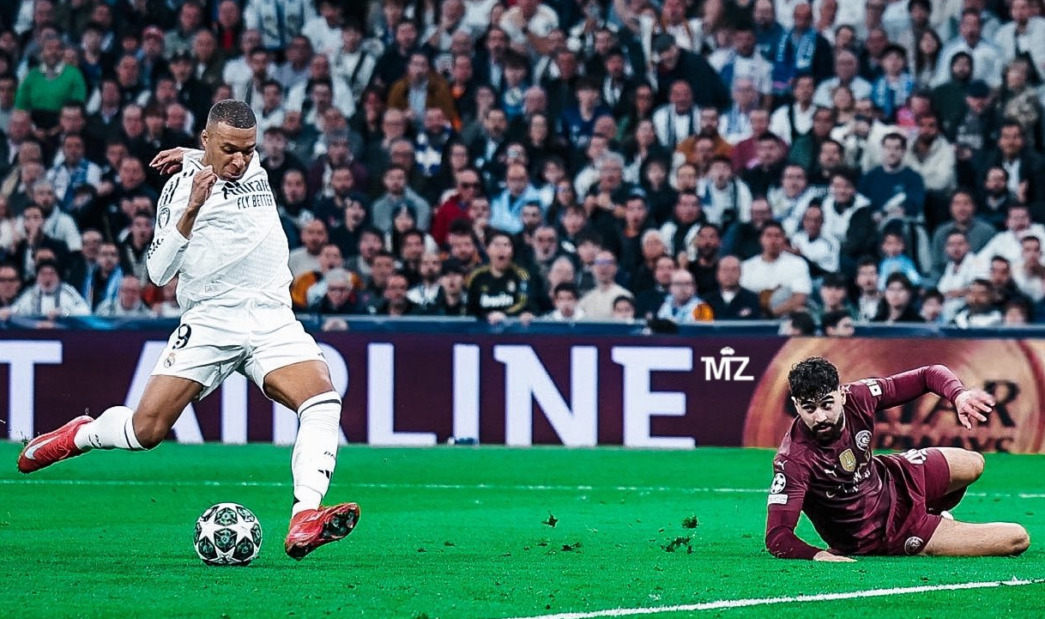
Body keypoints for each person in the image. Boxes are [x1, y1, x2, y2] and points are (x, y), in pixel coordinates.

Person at [17, 101, 359, 561]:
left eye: (247, 150)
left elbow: (232, 152)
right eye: (229, 151)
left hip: (272, 317)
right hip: (211, 320)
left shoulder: (252, 165)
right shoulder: (181, 191)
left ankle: (305, 517)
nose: (240, 161)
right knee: (145, 431)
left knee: (321, 400)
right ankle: (79, 434)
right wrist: (192, 208)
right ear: (207, 140)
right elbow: (157, 272)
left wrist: (200, 154)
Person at [766, 356, 1030, 560]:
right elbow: (778, 535)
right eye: (809, 408)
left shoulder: (860, 396)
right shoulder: (793, 461)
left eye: (827, 404)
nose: (820, 417)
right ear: (796, 405)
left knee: (974, 463)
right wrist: (818, 555)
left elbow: (928, 375)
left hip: (892, 477)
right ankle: (930, 528)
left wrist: (958, 394)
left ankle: (934, 513)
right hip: (884, 532)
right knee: (1018, 538)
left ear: (842, 394)